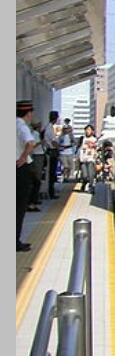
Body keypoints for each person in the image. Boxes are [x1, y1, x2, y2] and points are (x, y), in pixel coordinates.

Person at [16, 100, 38, 252]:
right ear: (28, 113)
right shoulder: (22, 126)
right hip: (20, 168)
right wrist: (24, 157)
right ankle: (15, 241)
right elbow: (30, 143)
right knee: (19, 207)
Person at [77, 124, 100, 192]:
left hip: (91, 159)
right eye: (86, 130)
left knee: (91, 174)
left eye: (89, 130)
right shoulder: (82, 139)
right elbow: (78, 148)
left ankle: (91, 187)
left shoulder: (94, 139)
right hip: (83, 159)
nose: (87, 131)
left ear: (92, 131)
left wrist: (96, 154)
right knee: (84, 175)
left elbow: (97, 149)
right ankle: (84, 184)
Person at [43, 110, 60, 199]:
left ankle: (51, 191)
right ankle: (51, 192)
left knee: (52, 173)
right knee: (51, 173)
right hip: (51, 152)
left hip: (51, 151)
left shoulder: (48, 127)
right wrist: (59, 147)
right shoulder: (49, 128)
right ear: (55, 118)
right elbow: (53, 141)